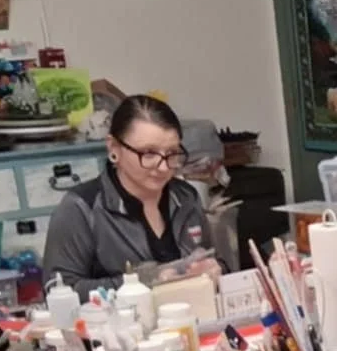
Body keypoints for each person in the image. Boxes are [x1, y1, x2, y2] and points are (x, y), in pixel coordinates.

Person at [43, 95, 213, 296]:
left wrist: (214, 270)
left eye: (172, 153)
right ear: (114, 148)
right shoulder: (81, 208)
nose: (164, 166)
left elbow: (212, 259)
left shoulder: (185, 197)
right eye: (148, 153)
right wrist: (147, 280)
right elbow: (58, 291)